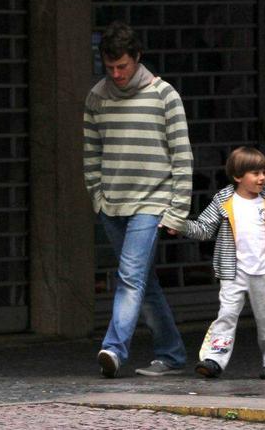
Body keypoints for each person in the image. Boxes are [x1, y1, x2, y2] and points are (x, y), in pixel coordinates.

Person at [83, 21, 192, 378]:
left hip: (152, 201)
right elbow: (91, 150)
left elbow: (181, 155)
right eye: (110, 67)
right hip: (112, 203)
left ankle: (114, 349)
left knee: (129, 277)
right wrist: (98, 196)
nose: (116, 74)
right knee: (143, 281)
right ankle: (172, 354)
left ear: (138, 58)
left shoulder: (164, 95)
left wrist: (176, 211)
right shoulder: (97, 97)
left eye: (123, 67)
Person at [178, 147, 265, 380]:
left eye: (263, 172)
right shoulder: (224, 201)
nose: (262, 177)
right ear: (238, 176)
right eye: (255, 173)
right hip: (233, 272)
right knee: (227, 314)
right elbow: (203, 228)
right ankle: (214, 359)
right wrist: (181, 226)